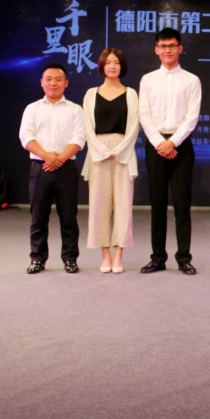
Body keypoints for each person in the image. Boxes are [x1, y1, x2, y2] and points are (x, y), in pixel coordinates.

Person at [139, 27, 202, 275]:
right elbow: (144, 115)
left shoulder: (191, 80)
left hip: (180, 145)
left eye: (172, 46)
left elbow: (191, 117)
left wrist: (172, 142)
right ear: (156, 50)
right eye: (163, 46)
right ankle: (157, 258)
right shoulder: (147, 80)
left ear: (180, 48)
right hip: (156, 145)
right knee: (157, 204)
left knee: (181, 204)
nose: (168, 50)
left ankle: (184, 258)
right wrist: (160, 143)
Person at [19, 64, 86, 274]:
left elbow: (79, 138)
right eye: (48, 79)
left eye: (58, 79)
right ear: (41, 82)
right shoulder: (32, 109)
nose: (53, 83)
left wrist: (60, 158)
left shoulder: (75, 109)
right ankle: (37, 259)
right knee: (38, 217)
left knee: (69, 218)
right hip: (40, 168)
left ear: (66, 83)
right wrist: (47, 156)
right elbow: (26, 137)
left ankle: (70, 259)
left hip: (66, 168)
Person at [81, 48, 139, 273]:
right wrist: (102, 150)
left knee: (123, 207)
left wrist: (119, 150)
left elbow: (133, 127)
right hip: (98, 154)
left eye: (116, 62)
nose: (112, 66)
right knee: (98, 206)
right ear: (102, 66)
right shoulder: (91, 94)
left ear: (122, 66)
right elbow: (88, 127)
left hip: (124, 153)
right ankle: (105, 254)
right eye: (108, 62)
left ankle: (119, 254)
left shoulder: (131, 94)